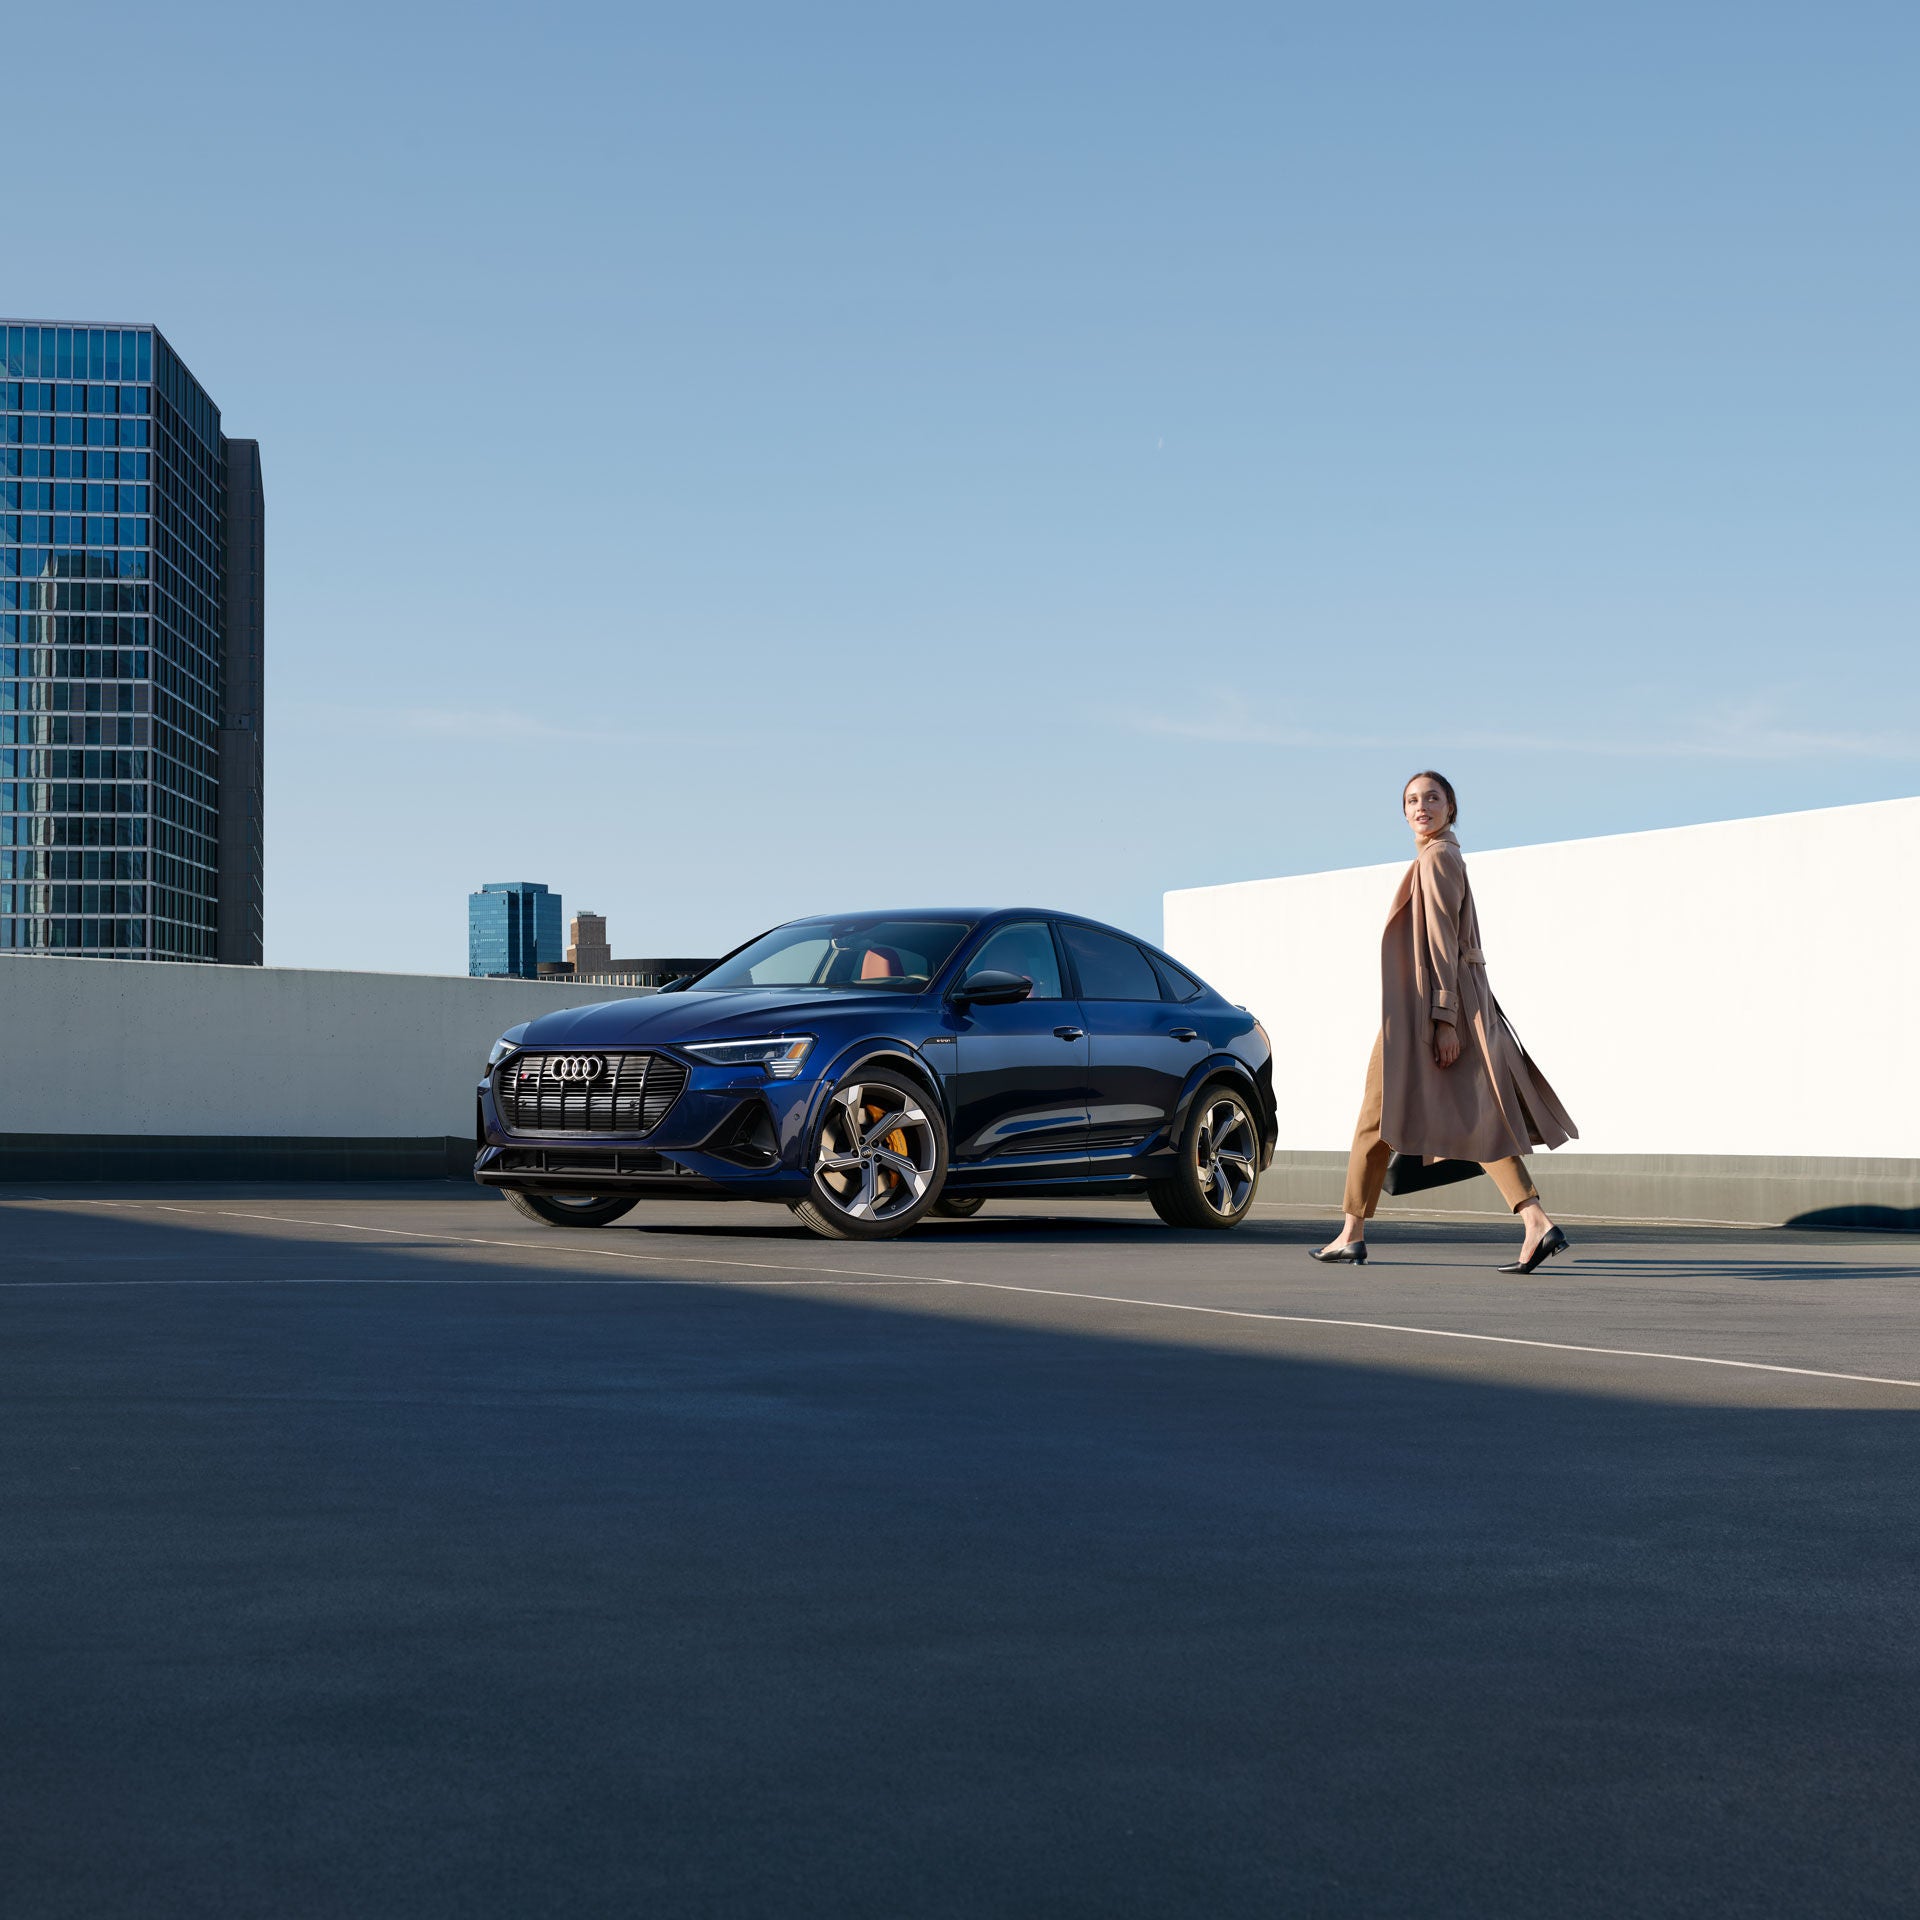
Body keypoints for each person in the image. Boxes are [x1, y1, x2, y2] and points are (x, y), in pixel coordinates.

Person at [1312, 771, 1578, 1274]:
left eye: (1432, 798)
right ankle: (1353, 1230)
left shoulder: (1437, 859)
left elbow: (1439, 943)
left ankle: (1532, 1220)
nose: (1421, 806)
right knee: (1435, 1115)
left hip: (1430, 1009)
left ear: (1451, 807)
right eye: (1412, 800)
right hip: (1429, 1005)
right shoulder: (1440, 856)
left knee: (1421, 1115)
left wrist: (1443, 1019)